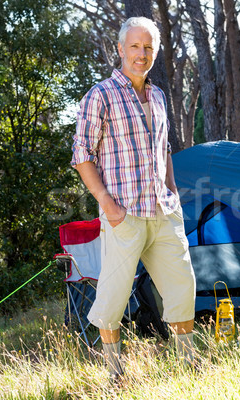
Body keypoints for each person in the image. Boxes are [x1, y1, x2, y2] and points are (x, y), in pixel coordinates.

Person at [71, 17, 196, 379]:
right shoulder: (101, 95)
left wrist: (172, 192)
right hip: (124, 214)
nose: (142, 55)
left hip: (163, 210)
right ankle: (115, 372)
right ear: (121, 49)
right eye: (135, 47)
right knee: (113, 294)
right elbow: (82, 154)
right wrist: (108, 206)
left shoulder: (157, 95)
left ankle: (187, 362)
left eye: (149, 48)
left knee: (182, 285)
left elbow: (164, 148)